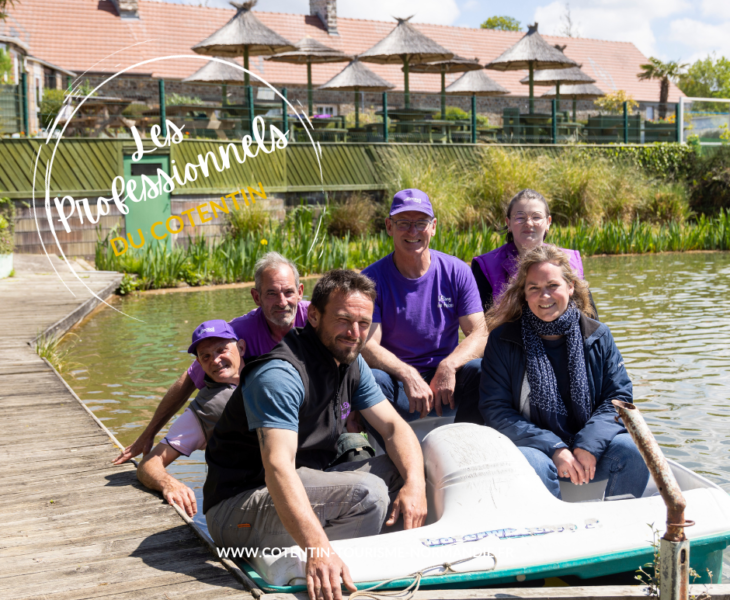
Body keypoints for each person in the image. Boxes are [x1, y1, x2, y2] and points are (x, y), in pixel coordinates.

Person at [203, 270, 426, 600]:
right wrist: (317, 549)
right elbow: (278, 467)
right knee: (368, 493)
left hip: (303, 482)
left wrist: (416, 486)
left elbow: (394, 428)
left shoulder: (349, 361)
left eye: (364, 324)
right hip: (237, 510)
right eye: (344, 320)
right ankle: (332, 573)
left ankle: (372, 553)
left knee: (404, 472)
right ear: (315, 316)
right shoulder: (279, 375)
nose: (355, 333)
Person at [479, 244, 649, 500]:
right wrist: (555, 447)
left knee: (633, 451)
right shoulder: (503, 340)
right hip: (535, 447)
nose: (544, 296)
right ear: (524, 294)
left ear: (570, 286)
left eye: (553, 286)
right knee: (533, 464)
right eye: (534, 288)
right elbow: (496, 410)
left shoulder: (599, 335)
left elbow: (618, 399)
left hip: (588, 445)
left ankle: (617, 528)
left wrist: (588, 445)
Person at [113, 252, 309, 465]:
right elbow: (189, 379)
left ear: (300, 292)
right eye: (271, 293)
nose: (282, 302)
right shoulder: (235, 333)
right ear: (256, 297)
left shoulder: (317, 319)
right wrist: (149, 433)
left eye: (288, 292)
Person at [361, 188, 488, 425]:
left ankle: (464, 443)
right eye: (403, 223)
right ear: (389, 227)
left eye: (421, 223)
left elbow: (480, 332)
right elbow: (367, 346)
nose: (413, 231)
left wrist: (449, 365)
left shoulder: (457, 271)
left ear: (434, 226)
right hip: (398, 384)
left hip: (446, 385)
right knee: (373, 379)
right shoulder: (370, 280)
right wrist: (407, 373)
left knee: (482, 371)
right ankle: (395, 451)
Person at [136, 320, 245, 517]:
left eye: (222, 350)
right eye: (205, 356)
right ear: (200, 364)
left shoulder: (267, 373)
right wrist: (169, 484)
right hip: (239, 502)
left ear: (241, 347)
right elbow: (149, 463)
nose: (215, 360)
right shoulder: (204, 410)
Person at [472, 189, 593, 313]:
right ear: (508, 223)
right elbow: (483, 324)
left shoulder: (571, 260)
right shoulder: (486, 266)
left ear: (548, 222)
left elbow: (589, 317)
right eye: (520, 217)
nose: (529, 223)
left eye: (536, 217)